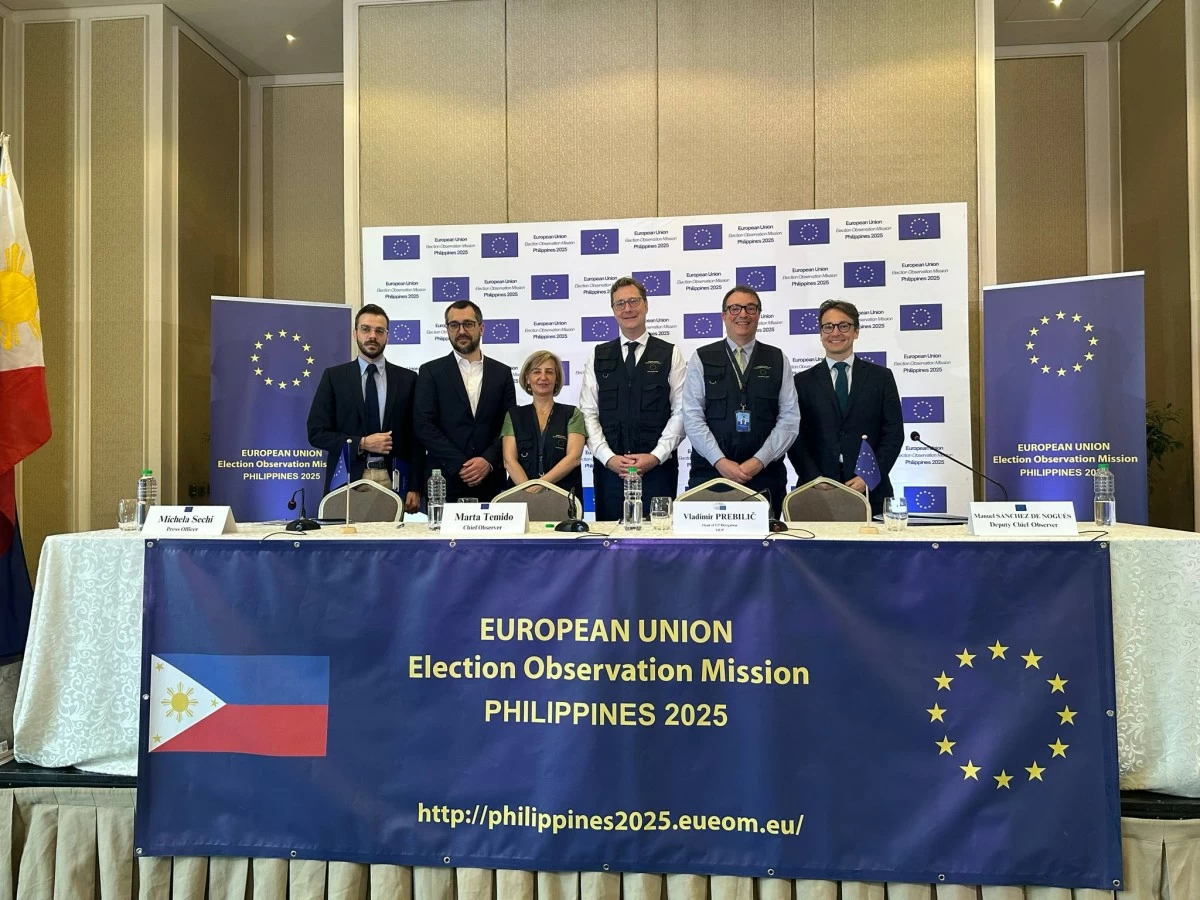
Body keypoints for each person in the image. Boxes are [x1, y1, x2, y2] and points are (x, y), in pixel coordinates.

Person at [681, 285, 799, 517]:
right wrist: (720, 461)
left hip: (765, 474)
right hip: (711, 473)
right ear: (724, 315)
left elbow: (790, 419)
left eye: (750, 308)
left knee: (766, 539)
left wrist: (758, 461)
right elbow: (692, 416)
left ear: (759, 314)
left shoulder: (777, 359)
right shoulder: (702, 357)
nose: (743, 314)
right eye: (735, 308)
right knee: (709, 539)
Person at [578, 276, 686, 520]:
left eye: (634, 301)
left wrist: (656, 456)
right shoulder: (598, 355)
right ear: (613, 310)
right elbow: (588, 412)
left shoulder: (670, 353)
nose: (627, 309)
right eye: (620, 303)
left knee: (658, 538)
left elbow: (681, 411)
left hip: (657, 471)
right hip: (610, 473)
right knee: (610, 539)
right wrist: (607, 457)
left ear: (646, 305)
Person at [788, 299, 903, 515]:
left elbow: (894, 434)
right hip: (816, 490)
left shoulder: (881, 378)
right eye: (828, 327)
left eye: (843, 326)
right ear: (821, 333)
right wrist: (814, 478)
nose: (835, 332)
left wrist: (869, 476)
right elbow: (794, 437)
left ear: (856, 331)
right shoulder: (801, 382)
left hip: (871, 491)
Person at [306, 303, 422, 511]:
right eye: (366, 329)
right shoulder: (334, 377)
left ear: (387, 336)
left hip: (393, 481)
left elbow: (417, 437)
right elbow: (316, 433)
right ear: (355, 333)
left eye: (379, 331)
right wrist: (362, 443)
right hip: (346, 481)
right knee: (345, 533)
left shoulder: (408, 379)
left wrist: (415, 485)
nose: (372, 336)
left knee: (391, 534)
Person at [414, 299, 516, 501]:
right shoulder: (430, 372)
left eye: (468, 324)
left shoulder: (502, 373)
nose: (461, 331)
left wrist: (487, 461)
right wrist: (460, 464)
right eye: (454, 325)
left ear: (481, 328)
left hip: (491, 482)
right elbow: (424, 425)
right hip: (444, 482)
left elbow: (509, 425)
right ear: (447, 330)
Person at [501, 351, 586, 496]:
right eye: (536, 372)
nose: (543, 377)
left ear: (557, 379)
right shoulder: (514, 416)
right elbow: (509, 460)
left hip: (563, 496)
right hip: (520, 496)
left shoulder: (572, 414)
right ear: (527, 378)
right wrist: (529, 492)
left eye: (549, 372)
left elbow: (574, 458)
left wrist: (539, 485)